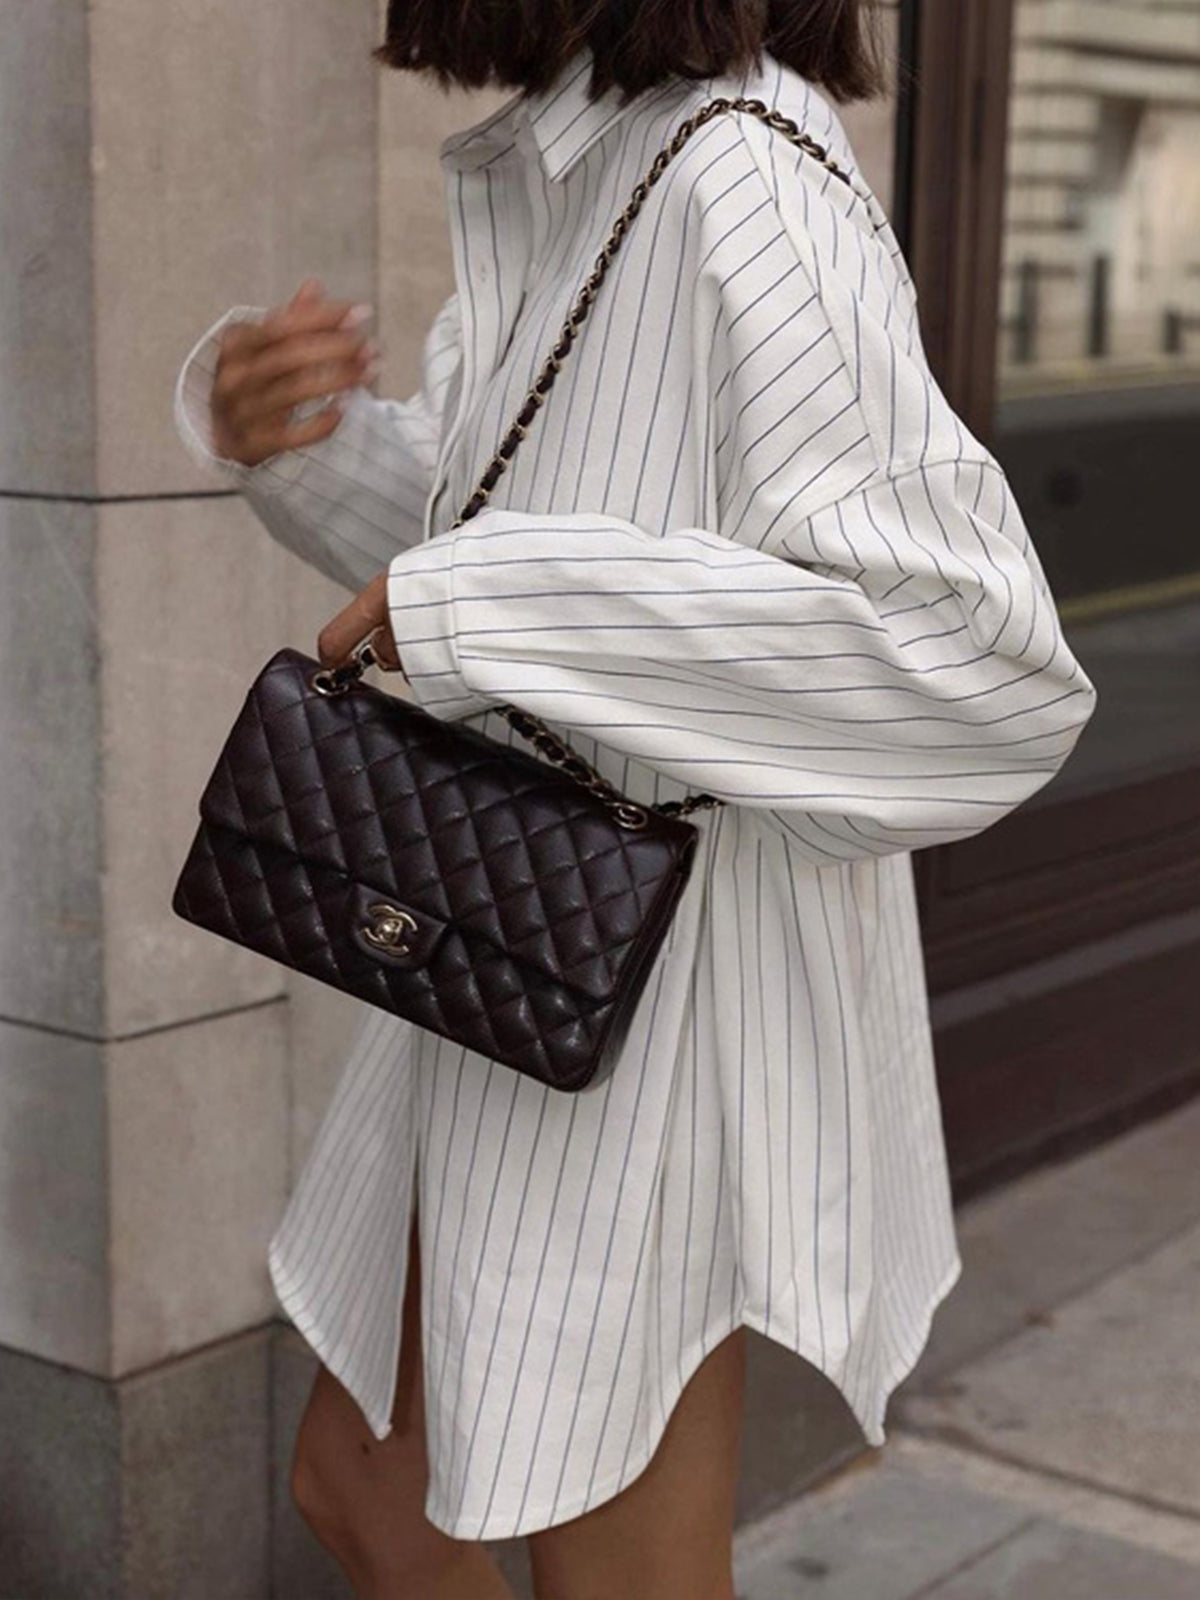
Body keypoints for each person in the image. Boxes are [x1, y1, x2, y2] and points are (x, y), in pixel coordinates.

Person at [172, 4, 1099, 1597]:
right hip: (510, 970)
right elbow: (526, 544)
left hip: (651, 1026)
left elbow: (978, 664)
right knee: (372, 1496)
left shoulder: (745, 181)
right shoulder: (589, 166)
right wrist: (308, 452)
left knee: (592, 1566)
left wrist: (505, 607)